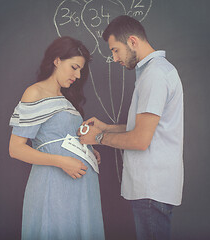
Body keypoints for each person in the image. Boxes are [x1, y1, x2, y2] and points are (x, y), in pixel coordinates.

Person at [79, 15, 184, 240]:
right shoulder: (155, 72)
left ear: (133, 42)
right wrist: (107, 127)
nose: (114, 58)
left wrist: (98, 137)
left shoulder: (154, 75)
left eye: (116, 50)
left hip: (151, 188)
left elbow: (139, 140)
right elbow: (146, 128)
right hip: (153, 188)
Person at [8, 36, 105, 240]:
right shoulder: (35, 93)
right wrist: (61, 161)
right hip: (55, 187)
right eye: (74, 67)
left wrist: (88, 149)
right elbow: (15, 149)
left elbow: (61, 137)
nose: (78, 75)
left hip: (81, 190)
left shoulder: (66, 100)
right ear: (57, 60)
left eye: (80, 70)